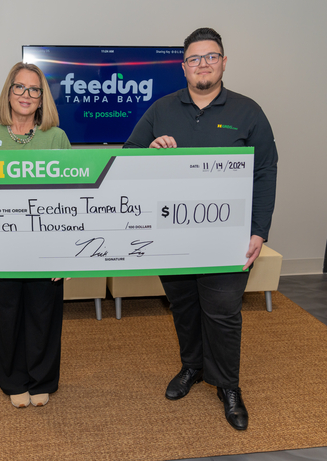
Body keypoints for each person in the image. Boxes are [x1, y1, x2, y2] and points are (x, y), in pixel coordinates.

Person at [123, 28, 277, 430]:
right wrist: (151, 153)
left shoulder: (248, 112)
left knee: (223, 313)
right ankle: (192, 367)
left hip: (227, 239)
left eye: (211, 57)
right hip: (170, 236)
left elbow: (265, 172)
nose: (203, 64)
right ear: (184, 67)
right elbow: (128, 158)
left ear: (224, 62)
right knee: (185, 308)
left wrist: (258, 230)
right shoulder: (161, 109)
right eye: (194, 58)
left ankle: (227, 386)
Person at [0, 62, 71, 409]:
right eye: (20, 88)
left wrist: (67, 252)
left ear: (42, 99)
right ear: (8, 94)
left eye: (34, 90)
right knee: (7, 315)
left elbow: (71, 196)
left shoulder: (56, 137)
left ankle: (43, 379)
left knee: (44, 315)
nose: (26, 95)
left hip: (46, 243)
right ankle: (12, 381)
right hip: (3, 245)